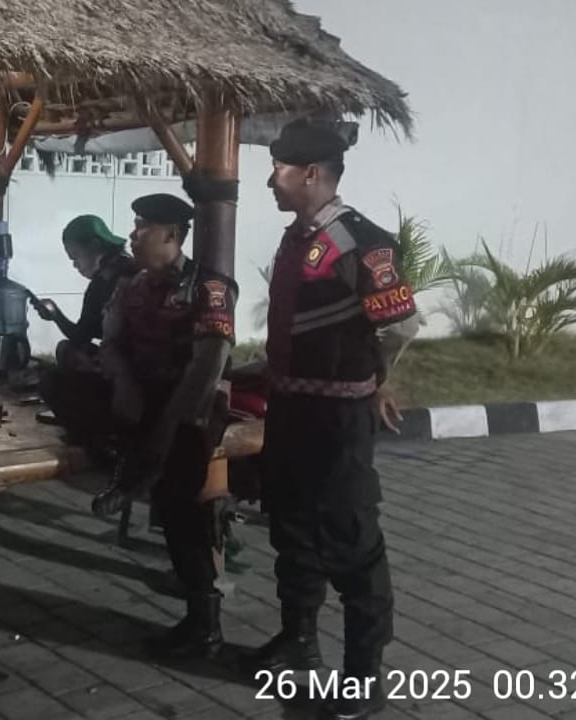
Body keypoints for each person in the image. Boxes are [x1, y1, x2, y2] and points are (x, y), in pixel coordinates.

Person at [242, 119, 420, 720]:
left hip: (337, 418)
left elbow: (399, 323)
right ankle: (298, 642)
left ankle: (364, 676)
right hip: (290, 409)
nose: (271, 180)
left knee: (351, 543)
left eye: (280, 170)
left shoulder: (360, 241)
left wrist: (375, 378)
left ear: (312, 174)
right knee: (291, 529)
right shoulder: (299, 237)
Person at [90, 193, 239, 659]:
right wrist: (124, 381)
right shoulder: (131, 286)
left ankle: (205, 626)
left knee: (180, 506)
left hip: (191, 406)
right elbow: (110, 343)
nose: (133, 236)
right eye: (135, 226)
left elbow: (209, 363)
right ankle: (133, 467)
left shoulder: (209, 288)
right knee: (62, 379)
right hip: (144, 396)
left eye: (143, 228)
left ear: (172, 235)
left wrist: (169, 424)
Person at [35, 215, 138, 460]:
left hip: (130, 375)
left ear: (94, 246)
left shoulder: (113, 279)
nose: (75, 266)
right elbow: (82, 336)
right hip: (121, 364)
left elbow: (82, 337)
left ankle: (95, 439)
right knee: (65, 350)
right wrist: (56, 315)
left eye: (75, 258)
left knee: (52, 379)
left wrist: (56, 315)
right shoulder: (117, 273)